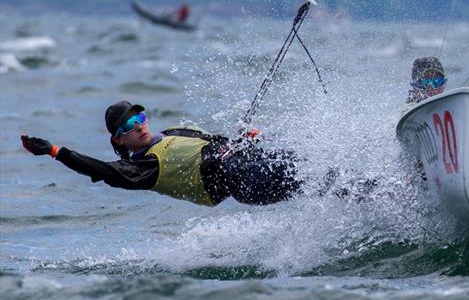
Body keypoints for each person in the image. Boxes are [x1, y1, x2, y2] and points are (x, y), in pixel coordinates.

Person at [19, 101, 301, 207]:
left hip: (252, 160)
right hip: (242, 181)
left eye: (140, 117)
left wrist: (240, 139)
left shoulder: (173, 131)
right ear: (119, 139)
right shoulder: (142, 168)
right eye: (129, 125)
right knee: (317, 179)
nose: (139, 125)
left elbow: (216, 143)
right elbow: (101, 170)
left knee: (313, 163)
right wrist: (56, 151)